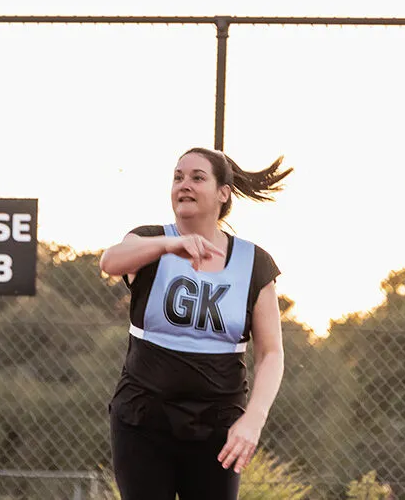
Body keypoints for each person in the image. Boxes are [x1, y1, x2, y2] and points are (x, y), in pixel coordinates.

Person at [99, 147, 291, 500]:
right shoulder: (150, 240)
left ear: (223, 193)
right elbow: (110, 261)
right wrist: (170, 244)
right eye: (178, 177)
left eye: (197, 177)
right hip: (143, 422)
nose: (184, 185)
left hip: (217, 429)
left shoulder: (254, 262)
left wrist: (253, 419)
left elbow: (272, 353)